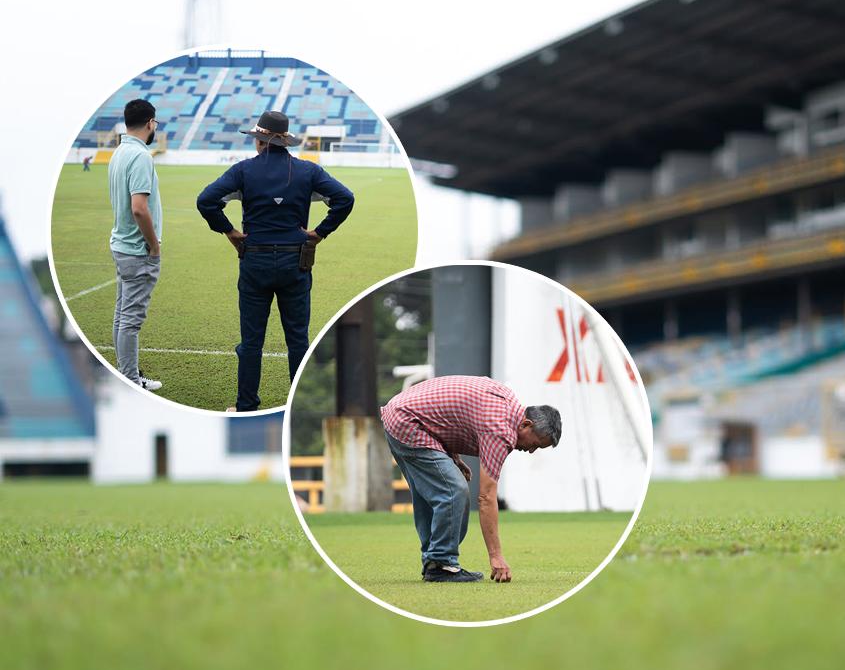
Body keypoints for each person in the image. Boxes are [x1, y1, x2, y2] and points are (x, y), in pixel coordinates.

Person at [196, 110, 354, 411]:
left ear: (259, 141)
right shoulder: (309, 171)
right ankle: (299, 407)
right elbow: (345, 198)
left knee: (251, 341)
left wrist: (229, 231)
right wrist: (319, 232)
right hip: (296, 262)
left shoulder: (242, 170)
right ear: (285, 142)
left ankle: (246, 405)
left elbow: (206, 201)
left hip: (254, 260)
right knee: (298, 340)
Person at [379, 375, 562, 583]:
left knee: (430, 494)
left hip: (401, 413)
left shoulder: (507, 401)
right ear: (526, 425)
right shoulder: (501, 430)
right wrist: (496, 556)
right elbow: (486, 497)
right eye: (535, 444)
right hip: (407, 422)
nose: (531, 451)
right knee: (453, 490)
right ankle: (441, 563)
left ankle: (435, 562)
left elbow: (451, 412)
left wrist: (452, 456)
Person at [108, 98, 164, 391]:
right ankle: (130, 381)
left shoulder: (119, 152)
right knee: (130, 319)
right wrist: (153, 245)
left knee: (121, 314)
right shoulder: (141, 157)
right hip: (137, 249)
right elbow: (139, 208)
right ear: (150, 123)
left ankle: (126, 373)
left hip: (121, 245)